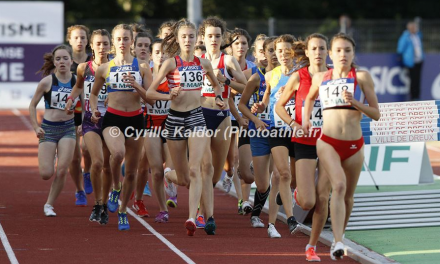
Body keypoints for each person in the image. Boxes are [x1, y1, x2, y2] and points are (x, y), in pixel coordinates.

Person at [142, 18, 224, 236]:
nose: (188, 40)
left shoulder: (203, 63)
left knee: (196, 169)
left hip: (197, 118)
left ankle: (191, 217)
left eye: (191, 36)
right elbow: (150, 93)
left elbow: (216, 86)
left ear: (196, 38)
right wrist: (169, 95)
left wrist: (218, 98)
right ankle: (169, 175)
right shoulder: (171, 64)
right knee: (185, 178)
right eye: (183, 36)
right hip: (175, 120)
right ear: (177, 40)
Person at [302, 33, 380, 260]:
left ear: (353, 53)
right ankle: (337, 242)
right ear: (330, 53)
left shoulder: (362, 77)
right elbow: (308, 99)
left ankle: (322, 241)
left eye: (347, 50)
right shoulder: (321, 77)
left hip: (355, 145)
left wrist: (355, 102)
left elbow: (376, 114)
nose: (343, 55)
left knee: (346, 197)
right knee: (337, 186)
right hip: (328, 142)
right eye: (338, 50)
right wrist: (306, 119)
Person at [89, 24, 153, 231]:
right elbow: (93, 94)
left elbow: (150, 99)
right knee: (117, 154)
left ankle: (124, 210)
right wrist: (93, 110)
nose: (123, 43)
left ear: (131, 42)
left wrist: (137, 86)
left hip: (136, 119)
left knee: (132, 173)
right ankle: (115, 188)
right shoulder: (104, 68)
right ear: (113, 43)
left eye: (126, 39)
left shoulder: (142, 67)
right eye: (119, 39)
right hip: (114, 118)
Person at [275, 33, 331, 261]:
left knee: (324, 198)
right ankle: (297, 191)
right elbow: (279, 107)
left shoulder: (337, 76)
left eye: (322, 48)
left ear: (328, 51)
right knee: (308, 201)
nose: (318, 52)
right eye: (314, 48)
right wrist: (293, 124)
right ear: (306, 52)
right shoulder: (299, 77)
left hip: (330, 144)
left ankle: (312, 246)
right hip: (305, 142)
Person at [196, 17, 247, 231]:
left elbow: (245, 87)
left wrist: (225, 81)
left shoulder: (228, 61)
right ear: (203, 38)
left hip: (221, 117)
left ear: (222, 37)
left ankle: (204, 207)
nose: (214, 39)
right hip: (199, 115)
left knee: (216, 173)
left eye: (217, 36)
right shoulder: (195, 60)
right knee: (205, 167)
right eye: (210, 36)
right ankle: (206, 215)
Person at [252, 34, 298, 237]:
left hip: (297, 131)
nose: (283, 55)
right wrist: (258, 106)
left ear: (293, 52)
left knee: (293, 180)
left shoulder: (301, 74)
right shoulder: (271, 76)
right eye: (279, 51)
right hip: (278, 130)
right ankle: (278, 222)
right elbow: (265, 101)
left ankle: (283, 197)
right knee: (281, 174)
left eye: (287, 51)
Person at [65, 29, 113, 224]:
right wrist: (70, 99)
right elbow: (78, 86)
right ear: (91, 46)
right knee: (98, 162)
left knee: (109, 166)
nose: (102, 47)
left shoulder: (116, 67)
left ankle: (109, 195)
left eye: (105, 43)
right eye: (98, 44)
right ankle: (98, 203)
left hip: (112, 120)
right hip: (90, 121)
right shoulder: (84, 68)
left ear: (111, 46)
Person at [239, 36, 283, 238]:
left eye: (277, 50)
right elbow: (241, 105)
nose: (274, 54)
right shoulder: (256, 77)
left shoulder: (286, 76)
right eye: (270, 50)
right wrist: (254, 120)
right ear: (264, 53)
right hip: (259, 132)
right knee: (263, 183)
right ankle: (256, 213)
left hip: (280, 132)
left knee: (280, 176)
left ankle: (265, 216)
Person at [29, 45, 79, 217]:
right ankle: (54, 153)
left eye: (65, 58)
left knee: (63, 169)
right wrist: (36, 126)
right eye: (58, 59)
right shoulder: (47, 82)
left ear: (71, 61)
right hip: (49, 129)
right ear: (54, 62)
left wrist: (82, 123)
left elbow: (86, 105)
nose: (62, 61)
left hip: (68, 129)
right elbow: (32, 105)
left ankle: (49, 204)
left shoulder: (77, 82)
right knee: (45, 173)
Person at [223, 28, 255, 217]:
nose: (240, 47)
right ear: (230, 47)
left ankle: (243, 200)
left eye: (243, 43)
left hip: (245, 117)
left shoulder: (252, 67)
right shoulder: (225, 67)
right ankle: (228, 175)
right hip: (228, 115)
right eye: (236, 43)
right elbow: (225, 93)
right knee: (230, 162)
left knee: (242, 160)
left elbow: (250, 90)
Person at [143, 38, 174, 222]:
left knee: (169, 169)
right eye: (157, 52)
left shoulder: (175, 75)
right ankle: (163, 209)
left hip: (171, 125)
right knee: (156, 171)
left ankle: (172, 185)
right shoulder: (146, 74)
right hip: (151, 125)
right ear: (151, 55)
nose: (161, 56)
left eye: (165, 52)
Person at [66, 25, 92, 205]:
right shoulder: (64, 62)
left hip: (91, 111)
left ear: (88, 40)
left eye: (83, 38)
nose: (80, 41)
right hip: (71, 114)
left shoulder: (94, 61)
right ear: (69, 40)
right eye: (76, 38)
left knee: (88, 149)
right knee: (74, 158)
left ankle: (88, 172)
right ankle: (79, 189)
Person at [397, 20, 424, 100]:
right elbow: (400, 47)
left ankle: (417, 96)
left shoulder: (417, 35)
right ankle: (413, 97)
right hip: (411, 61)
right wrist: (402, 55)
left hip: (419, 60)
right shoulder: (406, 36)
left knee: (418, 79)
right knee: (413, 80)